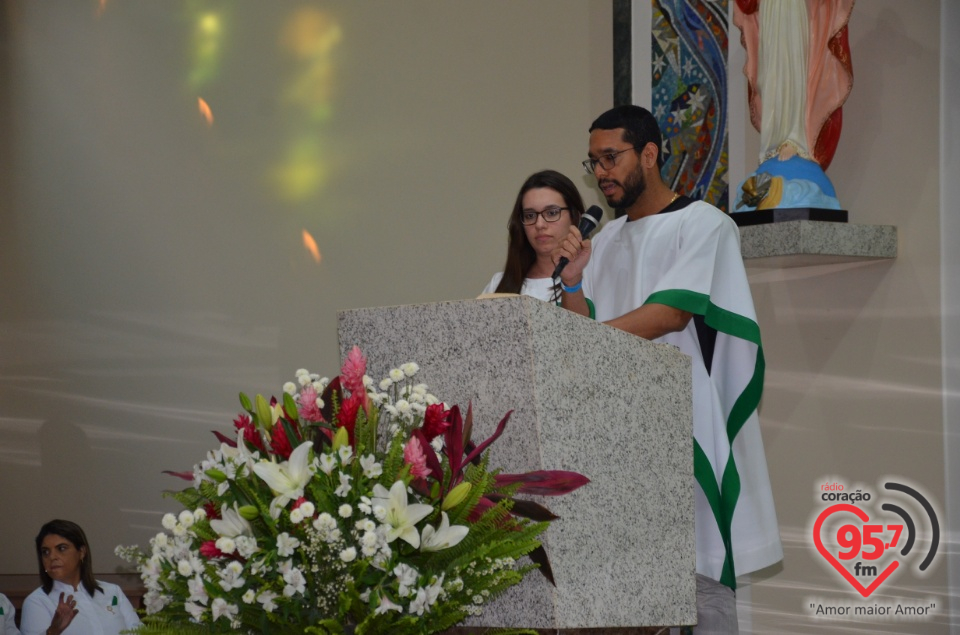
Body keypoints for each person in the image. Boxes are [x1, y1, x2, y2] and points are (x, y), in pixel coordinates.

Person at [555, 105, 782, 634]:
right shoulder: (604, 242)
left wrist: (581, 345)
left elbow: (668, 314)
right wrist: (571, 285)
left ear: (651, 155)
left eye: (611, 158)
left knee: (699, 587)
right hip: (618, 436)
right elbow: (583, 325)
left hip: (683, 427)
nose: (601, 173)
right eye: (594, 162)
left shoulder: (704, 224)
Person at [482, 170, 594, 316]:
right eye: (530, 215)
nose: (539, 224)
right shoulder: (498, 284)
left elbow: (581, 335)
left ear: (575, 217)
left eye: (552, 213)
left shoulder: (594, 274)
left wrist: (572, 283)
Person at [20, 520, 141, 635]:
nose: (52, 557)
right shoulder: (37, 601)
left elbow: (139, 632)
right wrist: (52, 632)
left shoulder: (111, 591)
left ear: (82, 552)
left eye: (61, 548)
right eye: (45, 552)